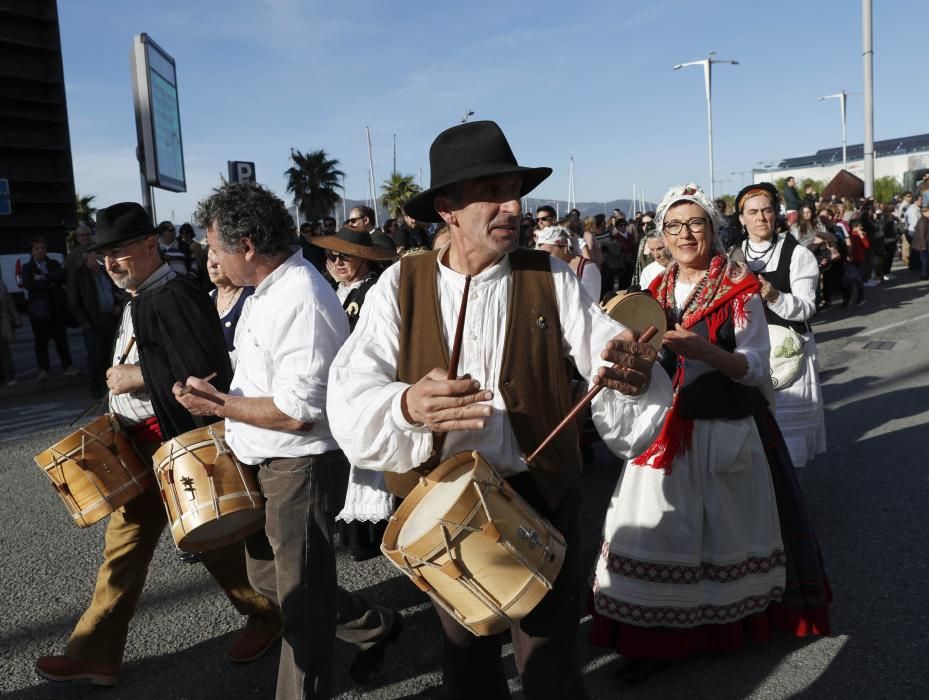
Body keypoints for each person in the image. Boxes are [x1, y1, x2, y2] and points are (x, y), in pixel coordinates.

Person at [326, 120, 672, 700]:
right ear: (448, 209)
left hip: (540, 493)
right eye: (492, 192)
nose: (512, 206)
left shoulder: (550, 277)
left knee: (550, 655)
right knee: (466, 654)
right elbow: (350, 390)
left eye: (515, 190)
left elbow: (606, 350)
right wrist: (406, 403)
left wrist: (628, 375)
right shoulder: (399, 285)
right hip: (444, 504)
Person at [35, 202, 281, 688]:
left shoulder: (176, 294)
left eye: (120, 251)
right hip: (138, 445)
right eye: (104, 255)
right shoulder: (143, 297)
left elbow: (210, 369)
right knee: (128, 548)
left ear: (150, 245)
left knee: (216, 541)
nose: (111, 263)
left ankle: (283, 613)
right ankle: (95, 653)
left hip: (173, 444)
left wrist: (138, 376)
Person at [591, 184, 830, 682]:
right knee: (658, 534)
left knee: (725, 532)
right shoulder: (653, 287)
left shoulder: (740, 287)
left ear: (713, 229)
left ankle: (725, 630)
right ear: (661, 234)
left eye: (694, 223)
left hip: (724, 426)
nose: (683, 234)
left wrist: (707, 355)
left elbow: (757, 366)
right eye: (672, 226)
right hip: (661, 433)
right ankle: (654, 638)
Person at [174, 183, 402, 699]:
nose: (210, 258)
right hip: (264, 460)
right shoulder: (267, 291)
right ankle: (373, 624)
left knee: (301, 606)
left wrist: (219, 406)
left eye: (215, 248)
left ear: (248, 244)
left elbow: (298, 413)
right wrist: (220, 396)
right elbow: (266, 384)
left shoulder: (300, 294)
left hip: (299, 465)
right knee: (269, 580)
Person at [311, 226, 398, 560]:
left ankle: (367, 535)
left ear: (364, 258)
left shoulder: (374, 292)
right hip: (335, 387)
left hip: (366, 385)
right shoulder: (331, 291)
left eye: (345, 255)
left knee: (365, 461)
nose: (337, 262)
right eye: (332, 256)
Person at [739, 183, 826, 469]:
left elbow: (807, 307)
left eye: (766, 210)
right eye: (753, 212)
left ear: (775, 214)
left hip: (787, 356)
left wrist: (773, 295)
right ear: (742, 218)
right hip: (746, 355)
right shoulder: (732, 256)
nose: (760, 218)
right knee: (749, 436)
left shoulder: (798, 254)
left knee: (789, 443)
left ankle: (789, 507)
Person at [21, 237, 78, 381]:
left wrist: (42, 277)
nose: (40, 251)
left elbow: (60, 276)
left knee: (61, 339)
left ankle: (68, 366)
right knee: (41, 341)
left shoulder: (53, 263)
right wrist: (49, 282)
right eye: (37, 248)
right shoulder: (27, 267)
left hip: (56, 308)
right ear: (32, 252)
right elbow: (30, 285)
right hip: (39, 310)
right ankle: (43, 369)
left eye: (42, 248)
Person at [67, 250, 122, 398]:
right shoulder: (79, 274)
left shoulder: (104, 271)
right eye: (95, 255)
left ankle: (109, 387)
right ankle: (96, 388)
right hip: (92, 322)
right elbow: (73, 300)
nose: (99, 258)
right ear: (86, 257)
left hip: (109, 318)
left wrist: (117, 304)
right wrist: (83, 321)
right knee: (95, 357)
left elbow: (115, 290)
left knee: (109, 355)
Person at [535, 224, 602, 302]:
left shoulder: (587, 268)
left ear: (565, 247)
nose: (546, 258)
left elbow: (592, 303)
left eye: (548, 254)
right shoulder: (549, 268)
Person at [206, 247, 254, 353]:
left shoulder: (251, 299)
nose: (212, 264)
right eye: (209, 256)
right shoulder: (207, 299)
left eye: (218, 258)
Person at [0, 275, 20, 385]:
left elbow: (9, 302)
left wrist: (15, 318)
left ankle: (9, 375)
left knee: (4, 350)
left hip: (2, 320)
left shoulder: (0, 284)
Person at [910, 205, 929, 280]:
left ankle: (925, 274)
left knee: (925, 260)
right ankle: (923, 275)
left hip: (924, 244)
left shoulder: (926, 219)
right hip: (922, 245)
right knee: (924, 260)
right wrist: (924, 246)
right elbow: (922, 234)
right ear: (925, 212)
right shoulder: (923, 221)